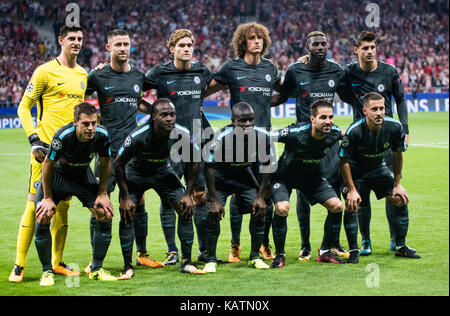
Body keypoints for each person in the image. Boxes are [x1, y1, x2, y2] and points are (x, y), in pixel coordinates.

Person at [10, 25, 88, 283]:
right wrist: (34, 139)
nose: (76, 42)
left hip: (70, 155)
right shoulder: (44, 71)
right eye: (72, 38)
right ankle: (19, 264)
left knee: (63, 207)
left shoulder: (83, 74)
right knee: (35, 204)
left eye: (80, 39)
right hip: (45, 151)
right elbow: (24, 107)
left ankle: (57, 262)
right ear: (61, 40)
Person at [84, 29, 160, 280]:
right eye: (118, 44)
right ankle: (96, 261)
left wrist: (152, 111)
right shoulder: (97, 76)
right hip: (106, 151)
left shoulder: (139, 76)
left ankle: (143, 254)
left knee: (137, 203)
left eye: (126, 43)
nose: (123, 48)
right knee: (100, 206)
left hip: (133, 153)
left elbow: (137, 100)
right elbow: (78, 97)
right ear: (108, 47)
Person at [271, 31, 350, 261]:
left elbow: (349, 94)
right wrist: (253, 102)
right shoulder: (296, 70)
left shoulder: (337, 70)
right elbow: (283, 95)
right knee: (302, 194)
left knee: (333, 187)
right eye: (315, 44)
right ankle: (305, 245)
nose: (320, 47)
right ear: (307, 48)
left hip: (326, 140)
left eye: (324, 43)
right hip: (301, 139)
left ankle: (332, 245)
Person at [205, 21, 281, 262]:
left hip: (263, 141)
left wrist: (267, 102)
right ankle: (235, 244)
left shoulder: (270, 69)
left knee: (263, 194)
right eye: (251, 38)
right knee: (240, 194)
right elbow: (205, 90)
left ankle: (263, 244)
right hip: (237, 143)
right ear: (242, 43)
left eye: (260, 37)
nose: (256, 41)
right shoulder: (231, 69)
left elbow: (286, 91)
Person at [143, 29, 213, 265]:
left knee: (200, 196)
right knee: (168, 199)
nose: (187, 48)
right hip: (169, 146)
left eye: (190, 45)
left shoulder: (201, 70)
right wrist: (152, 112)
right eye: (181, 45)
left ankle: (204, 250)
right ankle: (172, 251)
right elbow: (134, 89)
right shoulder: (160, 73)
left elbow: (216, 84)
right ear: (171, 48)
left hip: (196, 143)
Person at [114, 98, 206, 274]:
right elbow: (118, 163)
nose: (169, 118)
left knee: (185, 208)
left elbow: (195, 161)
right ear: (153, 116)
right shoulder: (138, 136)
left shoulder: (182, 133)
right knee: (127, 212)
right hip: (136, 173)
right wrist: (125, 197)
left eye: (172, 114)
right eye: (164, 115)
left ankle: (187, 262)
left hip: (162, 171)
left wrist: (188, 193)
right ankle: (128, 267)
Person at [343, 30, 410, 255]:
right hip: (360, 141)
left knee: (392, 189)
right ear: (356, 49)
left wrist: (405, 128)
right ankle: (365, 241)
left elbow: (401, 98)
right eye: (365, 47)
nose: (370, 51)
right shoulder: (349, 72)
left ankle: (395, 239)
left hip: (387, 141)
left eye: (372, 47)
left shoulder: (389, 71)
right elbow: (328, 76)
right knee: (362, 192)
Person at [34, 102, 116, 286]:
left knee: (104, 213)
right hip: (58, 178)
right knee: (43, 215)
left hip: (82, 177)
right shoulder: (63, 136)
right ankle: (47, 271)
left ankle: (96, 269)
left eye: (94, 123)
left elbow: (105, 163)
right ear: (75, 122)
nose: (91, 128)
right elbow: (47, 165)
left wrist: (102, 193)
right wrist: (47, 198)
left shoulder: (102, 135)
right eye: (86, 124)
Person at [339, 92, 420, 260]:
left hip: (378, 169)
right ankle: (356, 249)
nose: (379, 113)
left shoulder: (395, 127)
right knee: (352, 203)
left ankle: (400, 246)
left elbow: (398, 155)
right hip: (355, 171)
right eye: (374, 109)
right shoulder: (354, 131)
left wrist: (397, 183)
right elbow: (343, 162)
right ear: (365, 111)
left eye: (382, 108)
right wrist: (352, 189)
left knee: (400, 198)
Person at [270, 99, 346, 268]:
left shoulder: (333, 132)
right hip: (284, 177)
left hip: (310, 178)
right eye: (323, 117)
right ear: (312, 119)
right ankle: (280, 255)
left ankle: (325, 252)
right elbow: (268, 137)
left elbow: (351, 133)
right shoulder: (295, 132)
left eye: (331, 117)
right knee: (282, 208)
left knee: (337, 206)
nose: (328, 121)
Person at [202, 102, 276, 273]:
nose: (248, 124)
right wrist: (213, 199)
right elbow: (208, 167)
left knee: (260, 210)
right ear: (233, 121)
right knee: (212, 214)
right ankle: (211, 259)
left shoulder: (262, 136)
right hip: (220, 179)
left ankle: (254, 257)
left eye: (251, 120)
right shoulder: (220, 137)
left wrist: (260, 196)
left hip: (243, 177)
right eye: (242, 121)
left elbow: (267, 165)